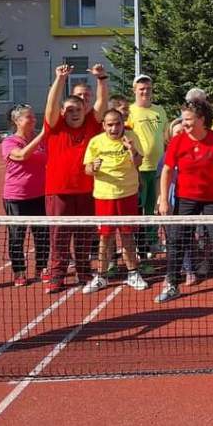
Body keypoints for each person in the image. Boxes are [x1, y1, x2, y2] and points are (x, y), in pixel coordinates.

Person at [156, 99, 213, 303]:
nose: (185, 123)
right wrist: (164, 198)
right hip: (185, 198)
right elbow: (167, 170)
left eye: (189, 120)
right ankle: (172, 284)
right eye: (183, 120)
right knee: (176, 240)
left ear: (201, 119)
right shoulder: (178, 141)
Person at [43, 63, 109, 293]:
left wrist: (101, 78)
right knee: (59, 238)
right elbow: (51, 104)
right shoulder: (55, 126)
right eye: (69, 110)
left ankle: (84, 272)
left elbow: (102, 103)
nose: (74, 113)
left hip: (87, 191)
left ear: (84, 110)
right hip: (59, 191)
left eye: (78, 109)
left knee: (84, 236)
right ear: (63, 112)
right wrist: (60, 79)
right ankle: (57, 275)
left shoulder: (92, 123)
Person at [81, 109, 149, 293]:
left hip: (128, 194)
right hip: (104, 195)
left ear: (122, 123)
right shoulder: (96, 142)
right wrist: (93, 167)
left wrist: (131, 149)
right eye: (110, 124)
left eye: (117, 124)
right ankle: (101, 276)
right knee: (105, 237)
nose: (114, 128)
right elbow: (87, 169)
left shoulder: (132, 137)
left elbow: (139, 162)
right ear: (104, 125)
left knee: (127, 235)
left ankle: (133, 273)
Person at [1, 104, 49, 286]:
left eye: (34, 116)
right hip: (16, 197)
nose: (34, 119)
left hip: (40, 194)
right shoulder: (9, 142)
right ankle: (19, 271)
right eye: (29, 117)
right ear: (17, 120)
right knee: (17, 236)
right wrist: (41, 136)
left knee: (42, 234)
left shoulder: (41, 140)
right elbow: (21, 155)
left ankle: (42, 268)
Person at [127, 74, 169, 263]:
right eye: (141, 89)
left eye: (148, 88)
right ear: (134, 90)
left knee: (153, 208)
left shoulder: (160, 110)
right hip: (139, 169)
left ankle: (152, 241)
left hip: (158, 168)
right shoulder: (129, 111)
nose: (145, 92)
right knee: (139, 209)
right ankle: (139, 245)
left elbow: (166, 135)